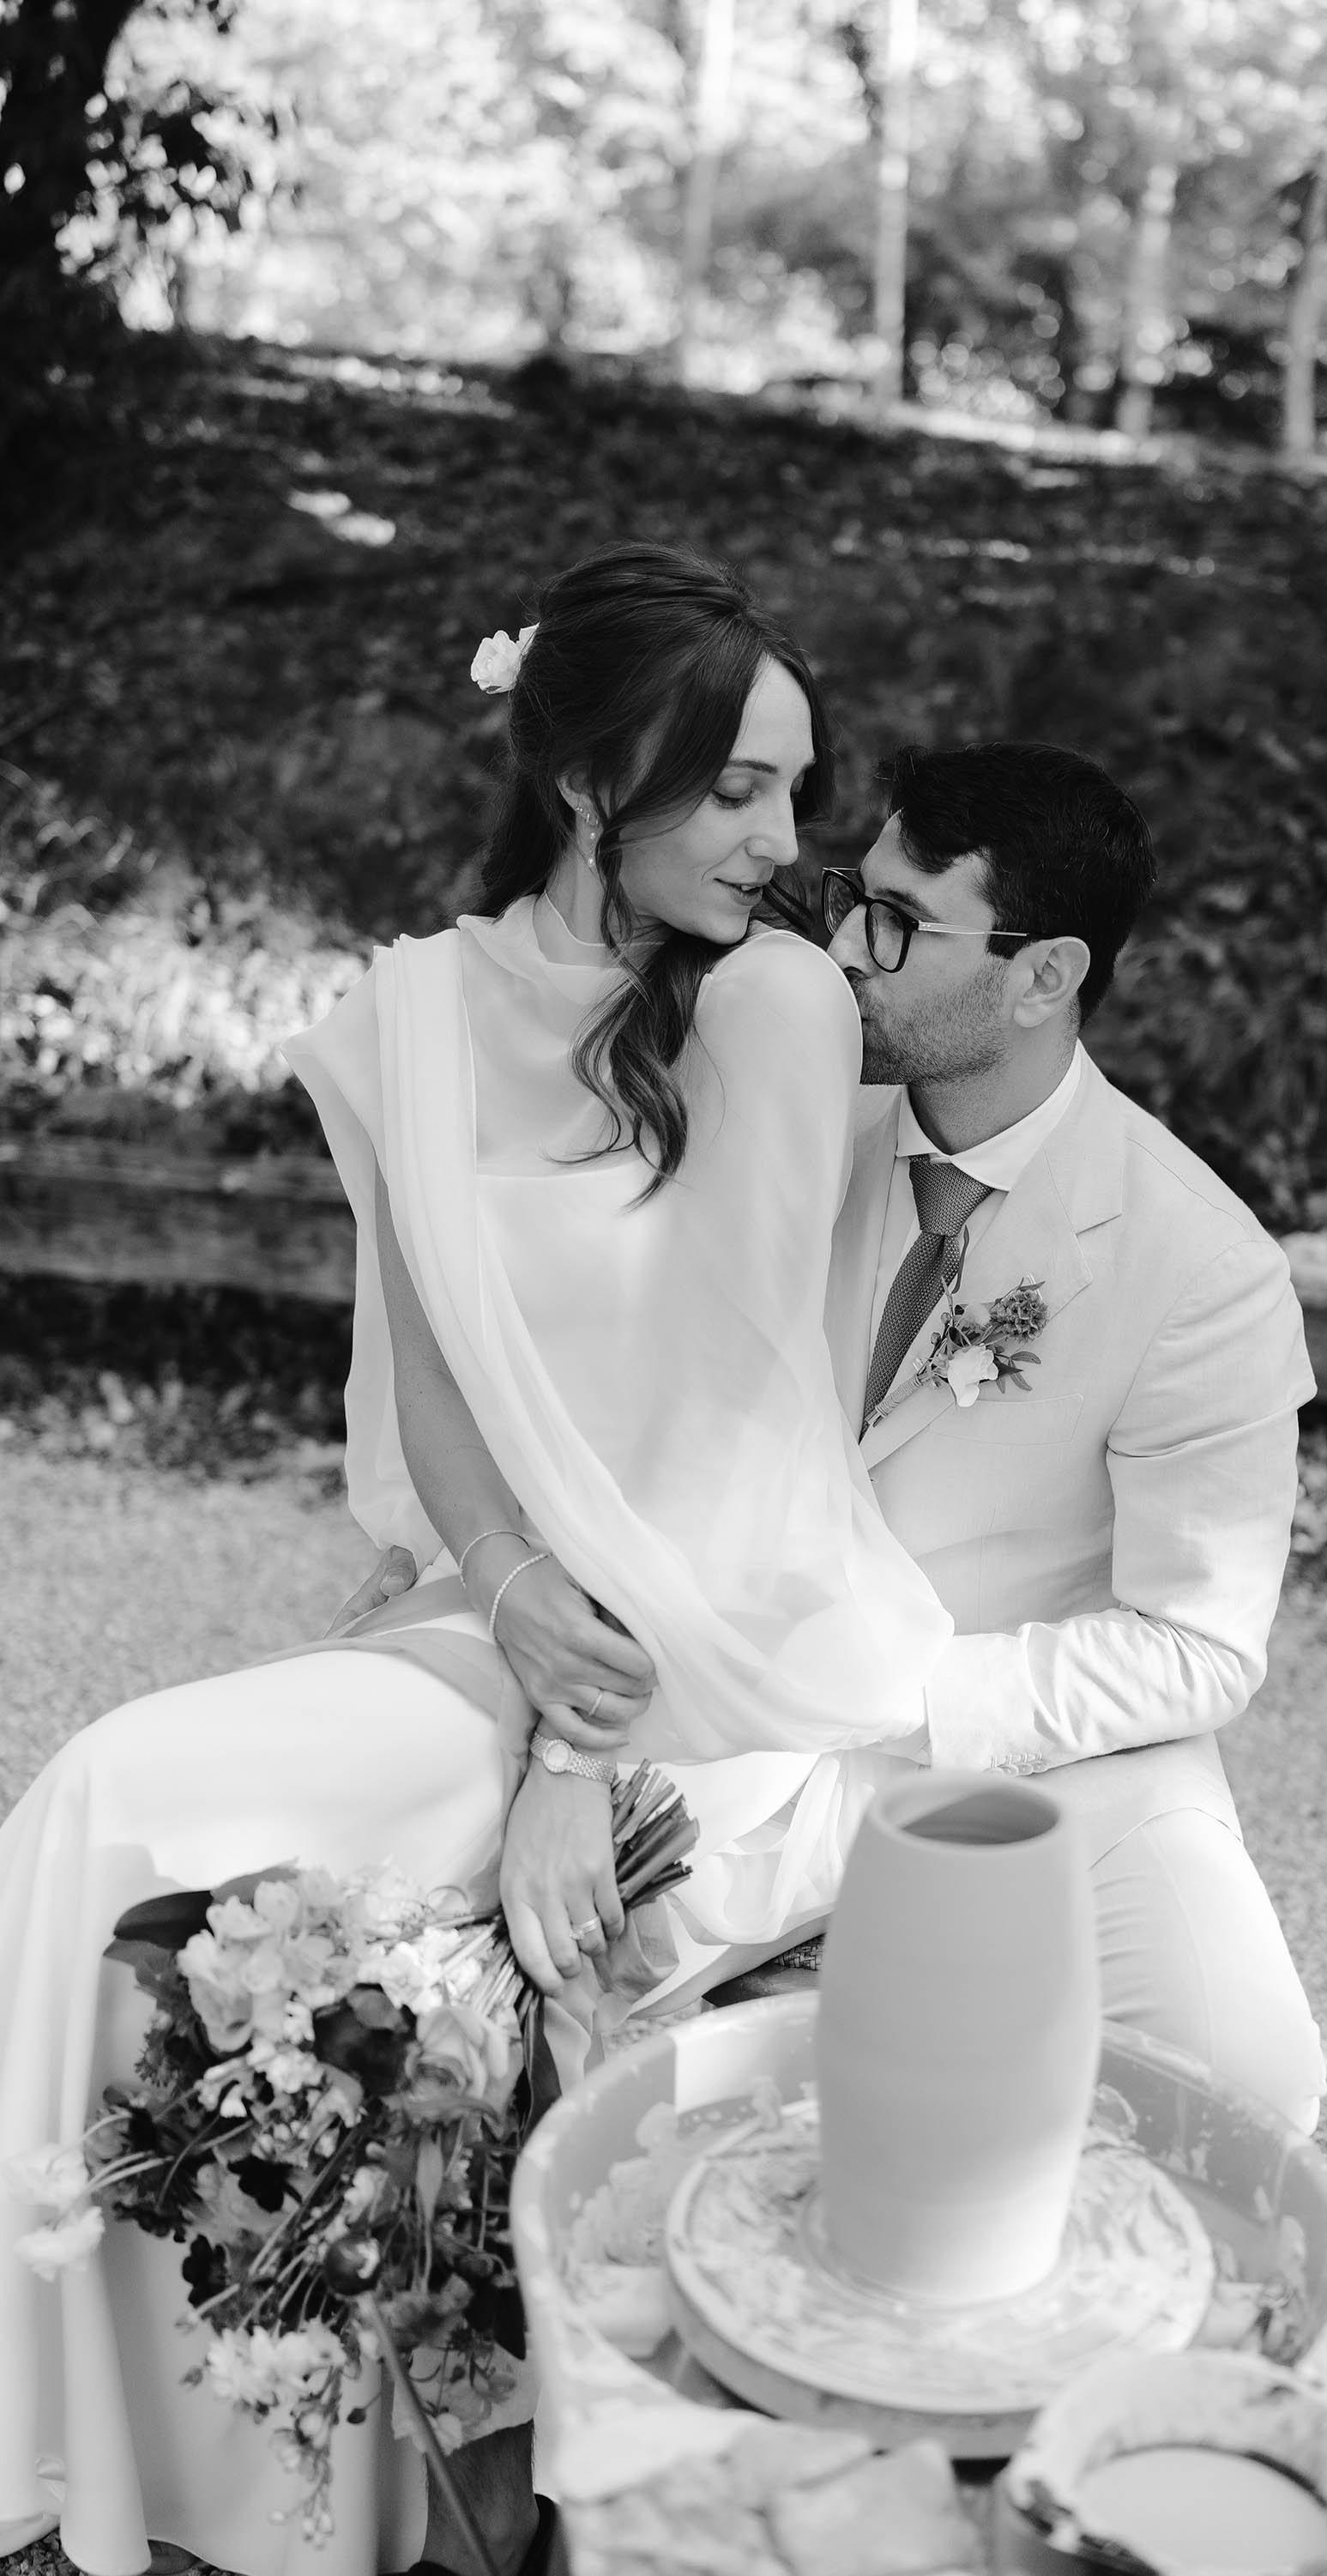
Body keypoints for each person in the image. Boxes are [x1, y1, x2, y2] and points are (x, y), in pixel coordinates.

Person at [0, 543, 955, 2576]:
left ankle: (308, 2512)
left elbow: (728, 1428)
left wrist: (580, 1755)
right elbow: (428, 1379)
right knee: (103, 1791)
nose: (787, 845)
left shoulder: (771, 1006)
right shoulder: (411, 1007)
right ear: (597, 779)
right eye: (741, 792)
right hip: (512, 1603)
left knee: (292, 1883)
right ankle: (79, 2465)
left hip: (716, 1638)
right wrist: (513, 1609)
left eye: (799, 789)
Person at [351, 733, 1327, 2132]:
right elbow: (612, 1391)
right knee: (492, 2006)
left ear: (1045, 976)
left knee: (1248, 2079)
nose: (849, 953)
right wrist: (474, 1568)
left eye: (903, 924)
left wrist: (899, 1697)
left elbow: (1200, 1642)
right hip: (726, 1682)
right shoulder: (786, 1104)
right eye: (852, 899)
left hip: (1018, 1723)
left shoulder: (1201, 1269)